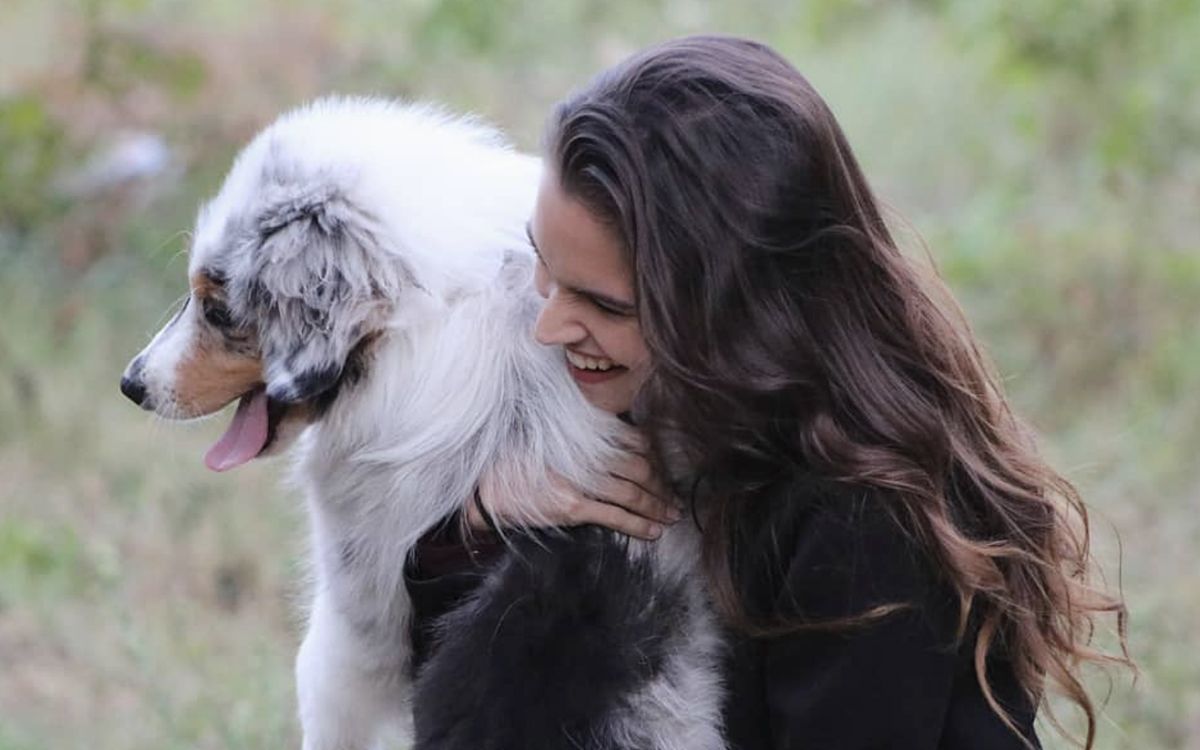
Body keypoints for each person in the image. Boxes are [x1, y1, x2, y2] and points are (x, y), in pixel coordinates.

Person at [404, 35, 1127, 749]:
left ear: (736, 309)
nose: (550, 326)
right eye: (542, 263)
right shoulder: (624, 400)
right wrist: (478, 524)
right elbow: (471, 699)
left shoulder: (859, 521)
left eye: (607, 305)